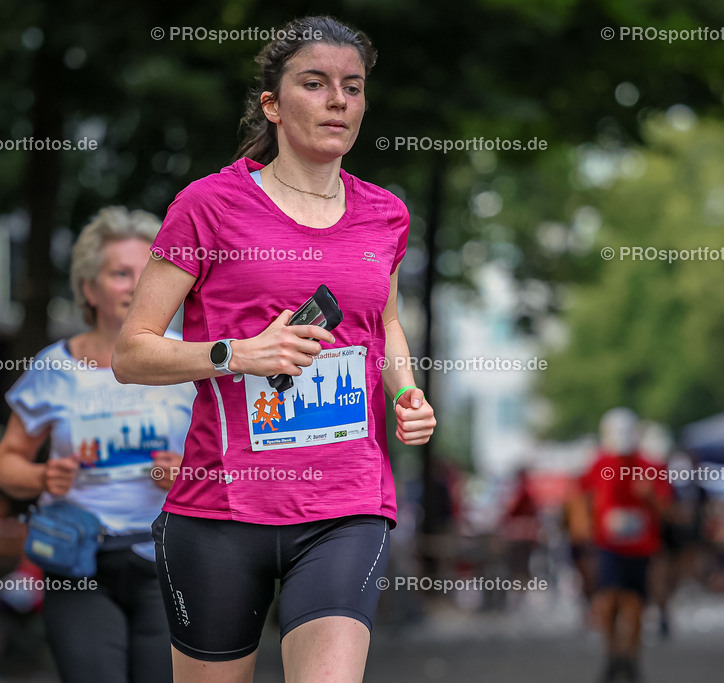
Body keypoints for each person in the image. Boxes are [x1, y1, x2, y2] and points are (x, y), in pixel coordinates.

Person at [112, 15, 436, 683]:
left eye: (352, 86)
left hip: (347, 502)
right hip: (222, 509)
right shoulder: (207, 207)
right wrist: (237, 354)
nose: (337, 100)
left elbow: (386, 322)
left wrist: (405, 391)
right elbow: (132, 353)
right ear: (273, 105)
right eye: (314, 84)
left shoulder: (386, 215)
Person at [0, 207, 195, 683]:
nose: (135, 285)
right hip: (77, 560)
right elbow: (5, 462)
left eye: (146, 273)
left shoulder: (188, 356)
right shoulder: (54, 367)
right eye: (120, 273)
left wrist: (188, 472)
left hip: (169, 559)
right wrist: (42, 476)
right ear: (89, 288)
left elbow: (232, 459)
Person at [576, 408, 671, 683]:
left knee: (634, 604)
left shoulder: (650, 466)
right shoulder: (599, 462)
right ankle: (612, 654)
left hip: (640, 548)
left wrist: (650, 496)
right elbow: (580, 493)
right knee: (607, 601)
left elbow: (667, 509)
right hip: (608, 544)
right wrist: (583, 523)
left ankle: (631, 658)